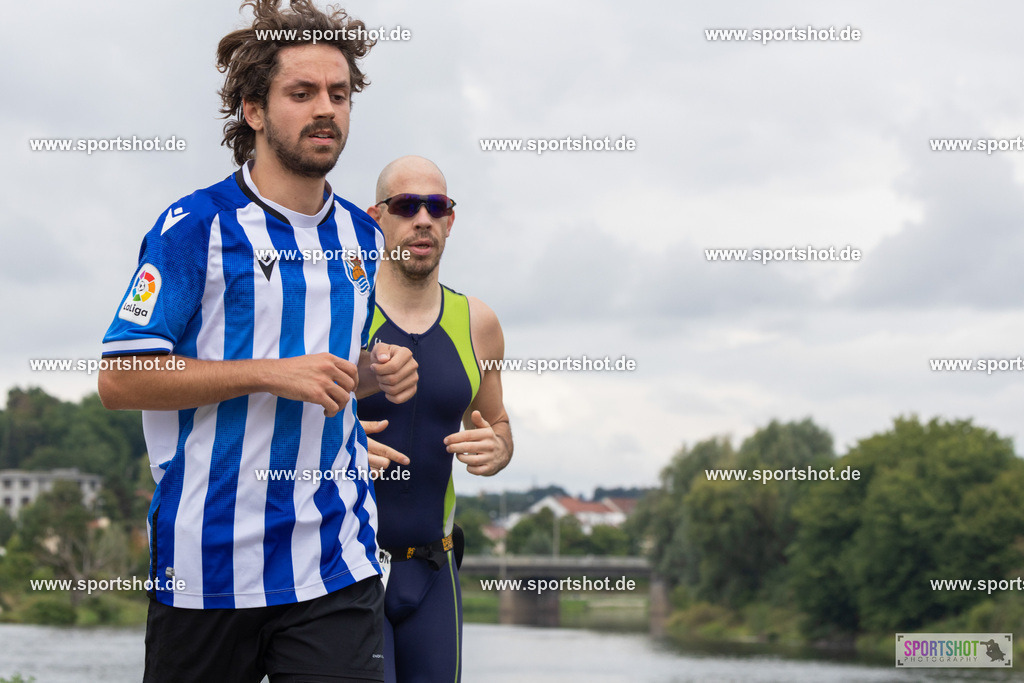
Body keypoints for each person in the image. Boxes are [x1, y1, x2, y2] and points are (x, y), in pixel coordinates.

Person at [97, 2, 418, 681]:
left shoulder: (363, 237)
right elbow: (121, 377)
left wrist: (374, 370)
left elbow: (324, 372)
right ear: (253, 109)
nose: (324, 108)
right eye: (301, 93)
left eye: (338, 93)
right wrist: (269, 373)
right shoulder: (195, 229)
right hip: (207, 568)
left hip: (334, 561)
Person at [359, 156, 514, 683]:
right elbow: (286, 422)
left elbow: (498, 424)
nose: (422, 218)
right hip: (349, 567)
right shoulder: (340, 313)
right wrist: (340, 441)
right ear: (376, 218)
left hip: (435, 571)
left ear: (450, 221)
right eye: (405, 206)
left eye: (436, 206)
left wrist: (499, 450)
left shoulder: (479, 323)